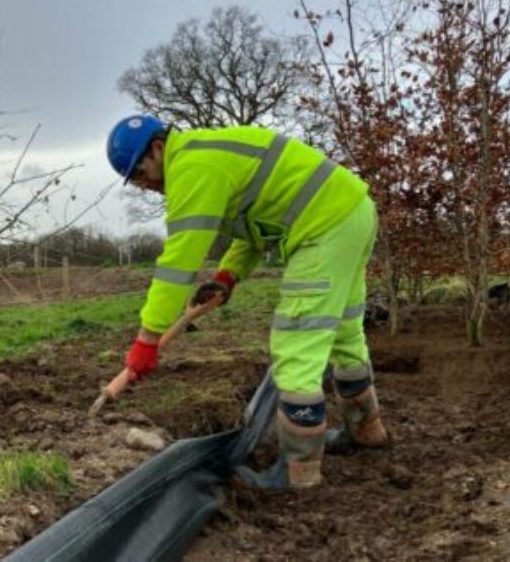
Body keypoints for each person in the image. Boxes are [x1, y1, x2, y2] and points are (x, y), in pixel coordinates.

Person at [106, 114, 388, 488]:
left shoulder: (192, 168)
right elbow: (256, 228)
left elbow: (178, 264)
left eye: (141, 175)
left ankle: (298, 471)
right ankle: (366, 430)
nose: (146, 187)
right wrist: (227, 276)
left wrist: (147, 338)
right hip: (352, 213)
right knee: (344, 333)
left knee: (297, 342)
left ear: (157, 149)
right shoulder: (209, 156)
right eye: (136, 183)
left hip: (324, 226)